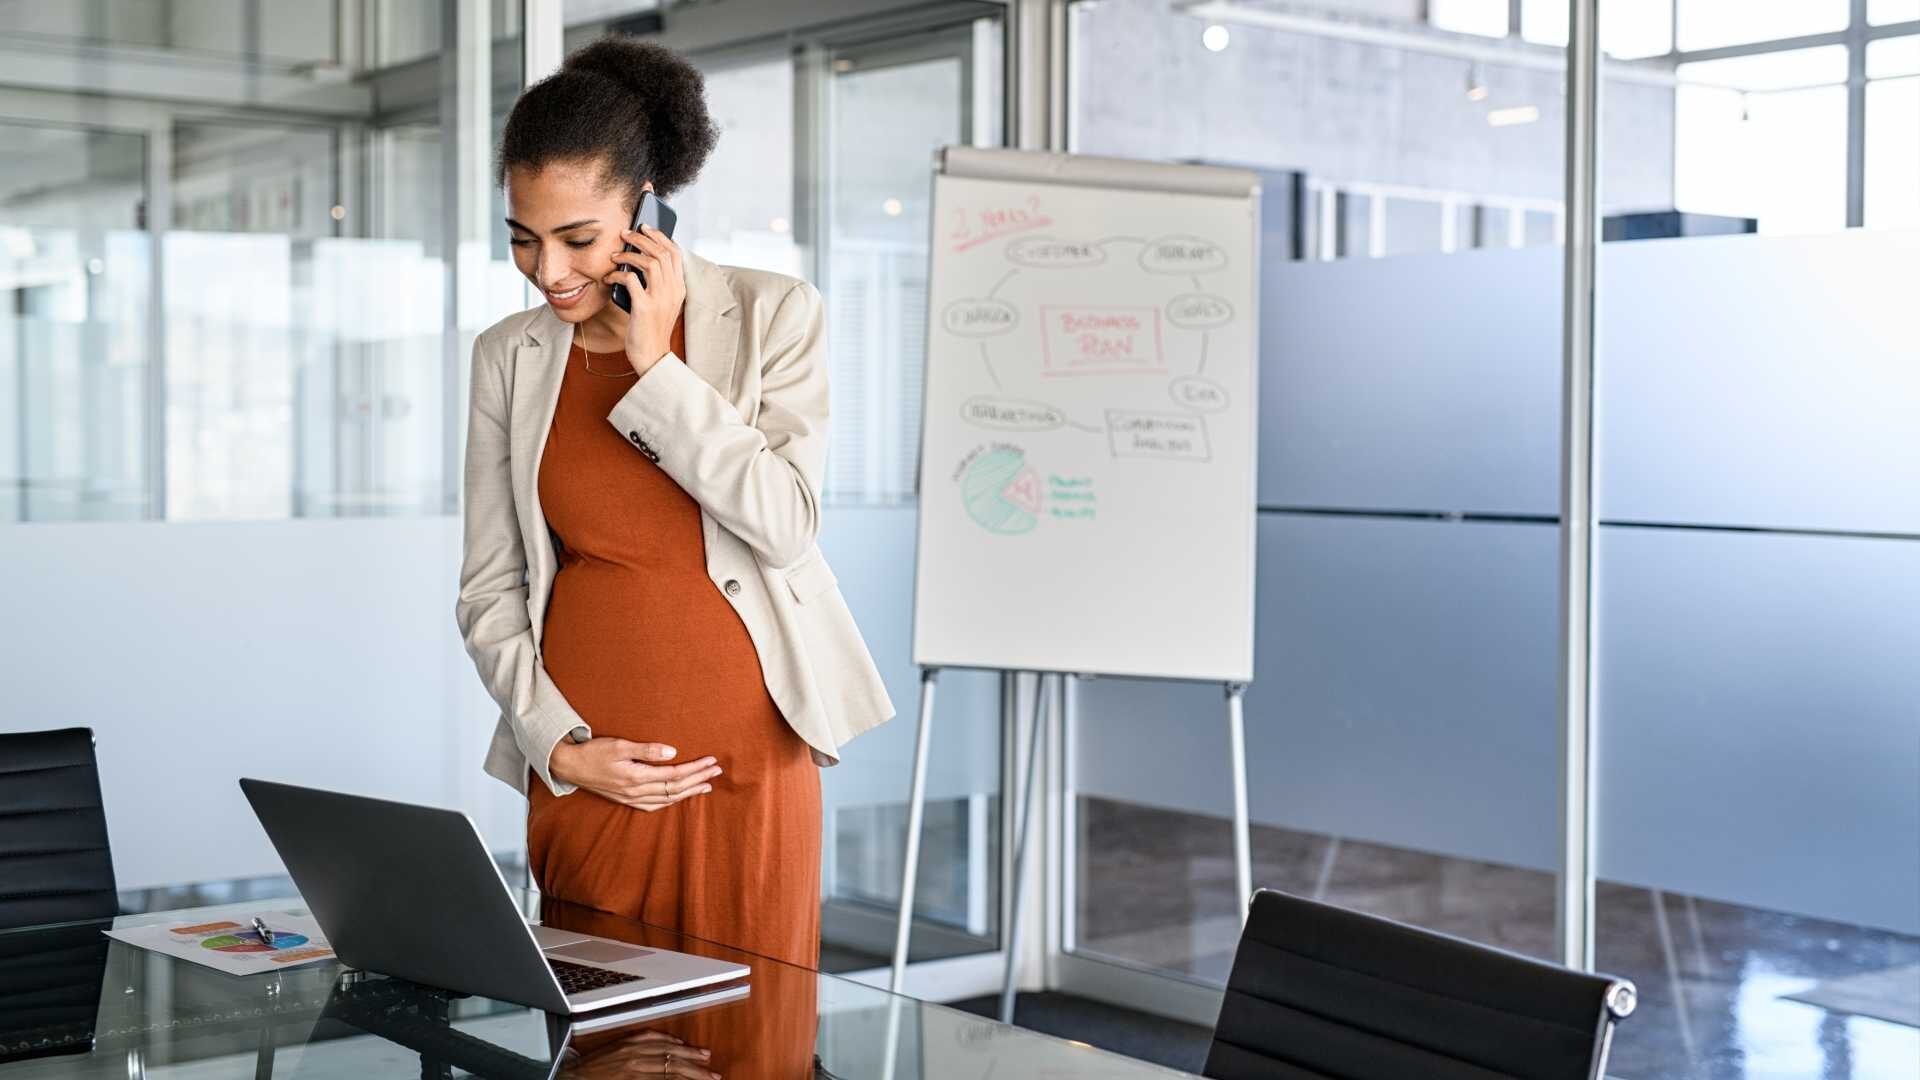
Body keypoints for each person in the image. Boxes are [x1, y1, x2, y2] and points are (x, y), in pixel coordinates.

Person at [455, 37, 894, 971]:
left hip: (749, 763)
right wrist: (558, 747)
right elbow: (490, 586)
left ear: (649, 209)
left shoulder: (773, 314)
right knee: (600, 1033)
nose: (547, 269)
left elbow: (783, 525)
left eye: (578, 238)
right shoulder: (509, 354)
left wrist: (659, 367)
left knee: (754, 1035)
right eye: (523, 237)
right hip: (589, 768)